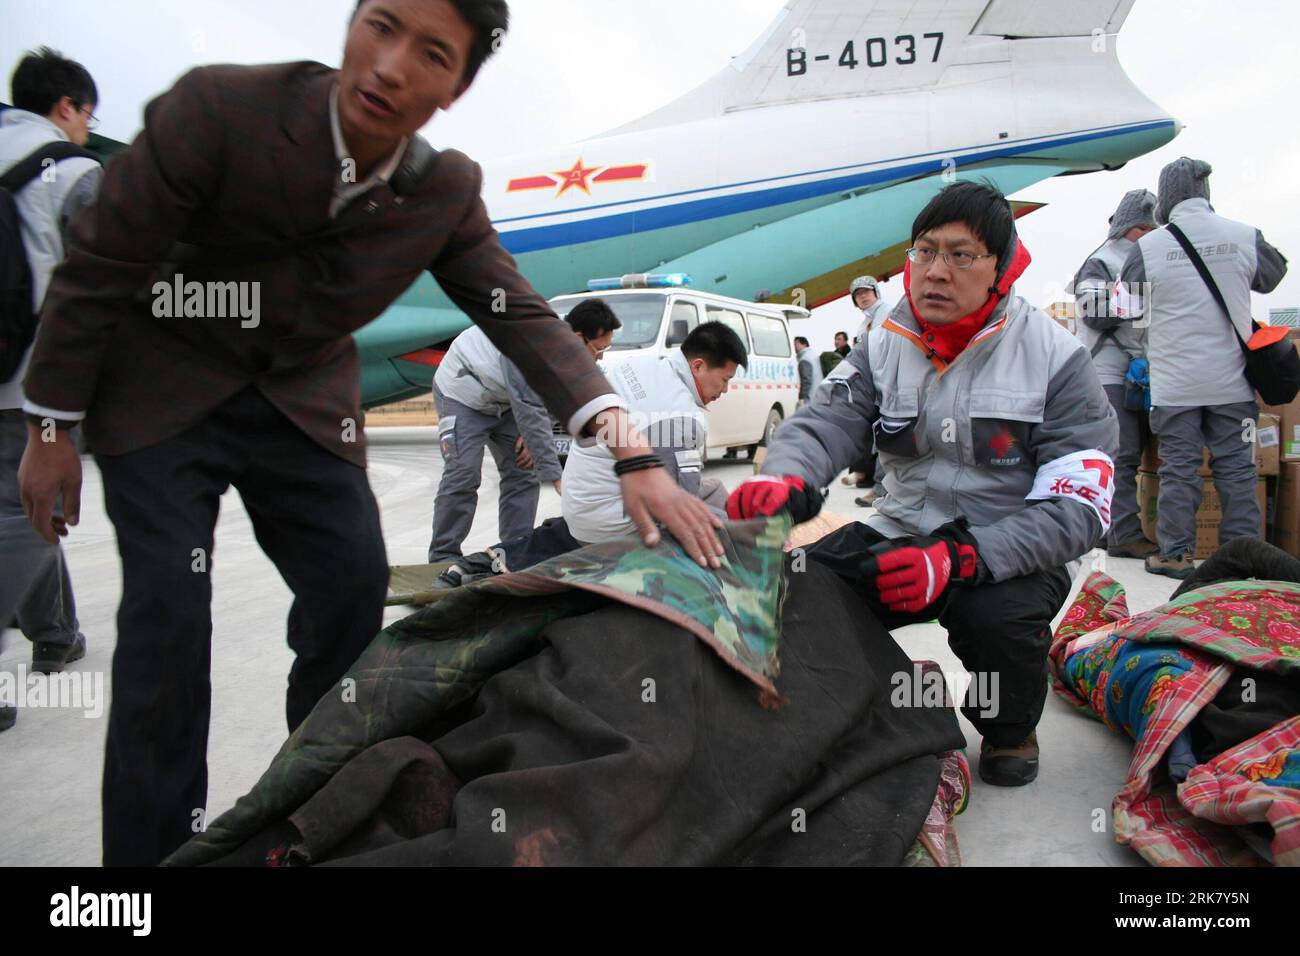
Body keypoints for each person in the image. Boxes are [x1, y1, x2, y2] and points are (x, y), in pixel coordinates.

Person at [17, 0, 722, 866]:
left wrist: (631, 448)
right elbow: (99, 262)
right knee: (168, 623)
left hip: (301, 405)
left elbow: (525, 318)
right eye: (380, 26)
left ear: (456, 87)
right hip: (165, 394)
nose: (390, 65)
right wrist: (50, 426)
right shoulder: (218, 110)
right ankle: (149, 864)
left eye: (430, 52)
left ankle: (312, 810)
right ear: (351, 26)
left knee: (352, 601)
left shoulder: (440, 191)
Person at [727, 180, 1118, 787]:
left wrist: (962, 556)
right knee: (795, 591)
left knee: (999, 622)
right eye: (923, 251)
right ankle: (897, 697)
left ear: (1002, 269)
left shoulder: (1058, 360)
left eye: (961, 255)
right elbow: (829, 419)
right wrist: (788, 480)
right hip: (900, 527)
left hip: (1004, 550)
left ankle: (1008, 727)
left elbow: (1080, 510)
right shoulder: (884, 338)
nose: (935, 272)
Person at [436, 320, 747, 584]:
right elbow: (683, 504)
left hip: (582, 503)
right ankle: (446, 554)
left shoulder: (643, 365)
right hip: (603, 525)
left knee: (715, 490)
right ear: (698, 366)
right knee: (713, 525)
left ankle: (507, 552)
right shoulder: (683, 417)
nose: (725, 390)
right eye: (725, 380)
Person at [1118, 158, 1288, 580]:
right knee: (1236, 469)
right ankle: (1241, 558)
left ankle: (1175, 553)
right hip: (1232, 381)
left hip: (1175, 384)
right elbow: (1273, 275)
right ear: (1205, 194)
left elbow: (1127, 306)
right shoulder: (1243, 235)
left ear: (1166, 200)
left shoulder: (1147, 249)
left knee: (1179, 468)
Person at [0, 48, 102, 733]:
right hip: (32, 388)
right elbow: (115, 278)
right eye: (87, 116)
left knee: (29, 516)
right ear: (65, 107)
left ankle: (56, 633)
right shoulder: (69, 171)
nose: (88, 131)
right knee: (25, 517)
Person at [426, 297, 621, 563]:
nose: (600, 358)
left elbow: (559, 399)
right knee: (463, 473)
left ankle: (512, 551)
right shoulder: (528, 342)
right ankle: (443, 554)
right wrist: (557, 478)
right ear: (578, 337)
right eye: (598, 350)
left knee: (522, 472)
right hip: (463, 395)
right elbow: (529, 406)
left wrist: (533, 439)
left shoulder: (569, 352)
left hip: (505, 401)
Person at [1070, 188, 1158, 559]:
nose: (1153, 232)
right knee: (1121, 455)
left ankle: (1110, 528)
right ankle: (1123, 533)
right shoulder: (1101, 261)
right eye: (1147, 226)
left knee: (1126, 452)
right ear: (1132, 227)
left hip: (1135, 370)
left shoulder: (1142, 255)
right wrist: (1135, 300)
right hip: (1108, 371)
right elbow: (1092, 309)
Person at [843, 276, 889, 504]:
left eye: (865, 292)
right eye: (857, 294)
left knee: (885, 439)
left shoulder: (887, 312)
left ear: (876, 292)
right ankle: (875, 484)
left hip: (889, 387)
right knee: (875, 437)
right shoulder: (865, 323)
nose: (862, 297)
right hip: (874, 388)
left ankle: (881, 490)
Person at [794, 335, 821, 407]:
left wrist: (802, 399)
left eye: (796, 343)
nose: (794, 346)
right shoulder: (813, 355)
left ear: (804, 344)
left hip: (810, 399)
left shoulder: (805, 359)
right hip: (818, 397)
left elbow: (806, 381)